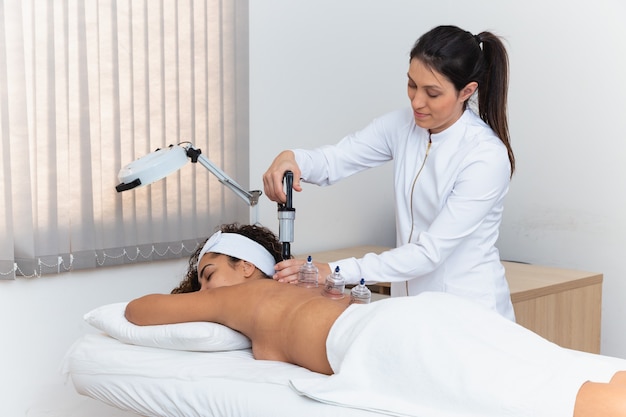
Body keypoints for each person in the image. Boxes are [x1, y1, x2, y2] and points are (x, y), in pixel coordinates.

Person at [126, 224, 626, 417]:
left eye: (209, 274)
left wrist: (200, 298)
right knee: (558, 369)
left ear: (247, 266)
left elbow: (137, 311)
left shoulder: (241, 296)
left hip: (387, 338)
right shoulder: (303, 290)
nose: (205, 289)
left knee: (543, 400)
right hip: (428, 314)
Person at [262, 25, 516, 320]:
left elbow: (428, 253)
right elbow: (337, 159)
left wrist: (334, 272)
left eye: (432, 93)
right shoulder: (403, 126)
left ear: (467, 91)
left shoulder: (485, 156)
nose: (416, 101)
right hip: (409, 310)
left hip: (467, 313)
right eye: (411, 85)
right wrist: (293, 159)